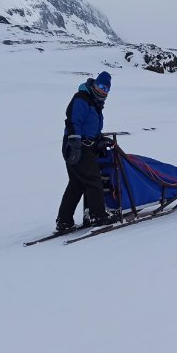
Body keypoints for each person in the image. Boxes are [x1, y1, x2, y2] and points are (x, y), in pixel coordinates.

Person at [55, 71, 113, 232]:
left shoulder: (95, 102)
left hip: (85, 145)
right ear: (94, 84)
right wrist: (75, 143)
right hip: (77, 145)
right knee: (94, 180)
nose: (103, 91)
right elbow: (73, 120)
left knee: (77, 184)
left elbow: (92, 126)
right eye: (101, 86)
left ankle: (64, 221)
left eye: (106, 89)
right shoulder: (82, 98)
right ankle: (98, 216)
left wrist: (98, 139)